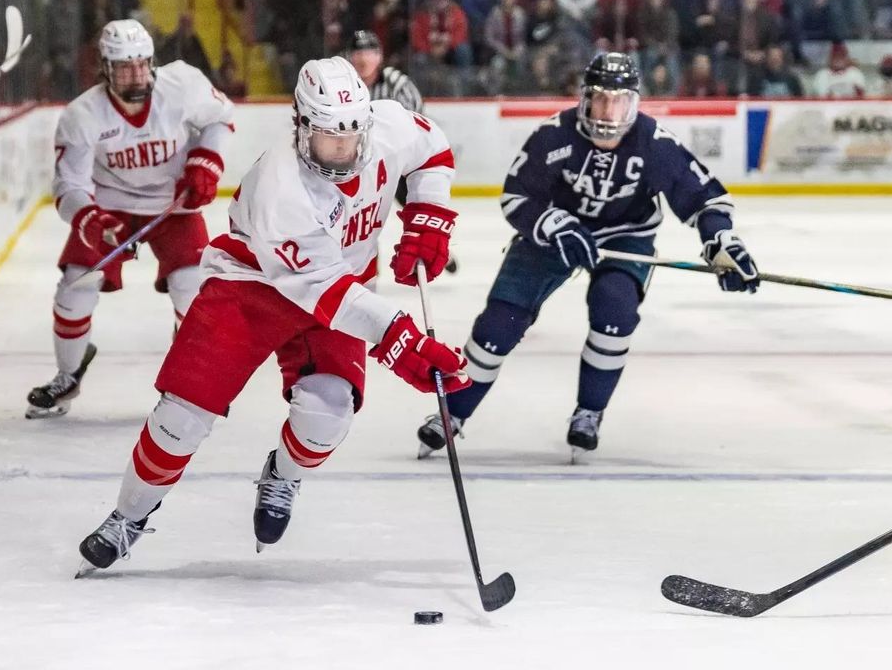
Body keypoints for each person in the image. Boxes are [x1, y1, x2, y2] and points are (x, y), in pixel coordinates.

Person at [77, 56, 469, 569]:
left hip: (339, 287)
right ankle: (128, 516)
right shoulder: (280, 187)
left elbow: (432, 146)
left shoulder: (386, 127)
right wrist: (400, 340)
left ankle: (283, 475)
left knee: (328, 416)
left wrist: (430, 216)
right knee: (181, 415)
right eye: (328, 139)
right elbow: (325, 291)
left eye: (351, 138)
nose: (343, 152)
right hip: (250, 288)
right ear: (301, 125)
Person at [415, 53, 759, 461]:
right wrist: (553, 224)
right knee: (499, 324)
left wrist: (721, 240)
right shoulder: (555, 135)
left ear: (634, 103)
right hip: (555, 234)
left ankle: (589, 413)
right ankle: (452, 412)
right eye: (601, 99)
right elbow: (516, 196)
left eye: (620, 101)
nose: (609, 112)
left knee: (615, 310)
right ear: (584, 99)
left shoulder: (654, 143)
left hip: (625, 237)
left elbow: (705, 198)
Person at [25, 20, 234, 419]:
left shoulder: (181, 85)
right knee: (75, 288)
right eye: (124, 67)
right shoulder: (83, 114)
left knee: (192, 292)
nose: (136, 75)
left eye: (141, 64)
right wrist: (90, 219)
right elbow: (69, 186)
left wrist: (206, 162)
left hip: (174, 204)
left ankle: (187, 382)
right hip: (111, 207)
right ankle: (68, 375)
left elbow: (220, 118)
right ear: (105, 68)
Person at [346, 29, 458, 273]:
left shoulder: (398, 84)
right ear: (350, 57)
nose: (364, 58)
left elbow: (417, 130)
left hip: (395, 161)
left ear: (380, 56)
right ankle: (362, 264)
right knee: (358, 219)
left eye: (370, 52)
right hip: (355, 167)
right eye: (358, 52)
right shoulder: (342, 87)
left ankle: (433, 245)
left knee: (418, 201)